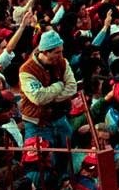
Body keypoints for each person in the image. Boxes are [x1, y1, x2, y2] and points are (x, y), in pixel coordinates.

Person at [18, 30, 78, 174]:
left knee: (67, 154)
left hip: (59, 117)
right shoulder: (26, 70)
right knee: (39, 164)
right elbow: (38, 98)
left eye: (61, 51)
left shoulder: (62, 62)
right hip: (37, 122)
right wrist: (58, 86)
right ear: (45, 52)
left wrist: (50, 96)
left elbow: (72, 87)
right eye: (57, 52)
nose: (60, 56)